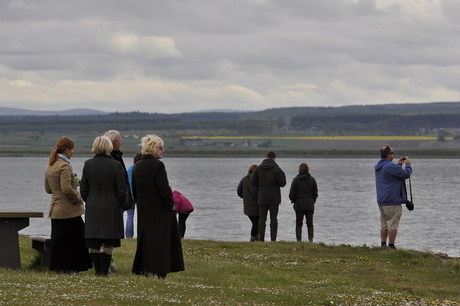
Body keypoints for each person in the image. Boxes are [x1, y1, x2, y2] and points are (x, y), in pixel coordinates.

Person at [131, 135, 185, 279]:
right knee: (162, 242)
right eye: (161, 148)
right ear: (154, 149)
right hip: (160, 210)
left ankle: (146, 269)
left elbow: (135, 190)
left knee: (147, 241)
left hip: (144, 210)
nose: (163, 150)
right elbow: (165, 189)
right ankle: (162, 271)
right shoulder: (157, 165)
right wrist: (171, 205)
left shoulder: (137, 166)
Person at [80, 136, 132, 276]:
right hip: (112, 207)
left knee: (94, 240)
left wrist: (90, 200)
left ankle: (98, 272)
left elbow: (83, 190)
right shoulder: (116, 165)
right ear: (109, 147)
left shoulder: (88, 164)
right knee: (108, 241)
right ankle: (104, 272)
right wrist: (124, 204)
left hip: (92, 206)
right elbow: (122, 189)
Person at [44, 136, 91, 273]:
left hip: (55, 210)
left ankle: (58, 267)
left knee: (59, 242)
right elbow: (66, 189)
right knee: (79, 239)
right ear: (66, 150)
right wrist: (79, 198)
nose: (73, 152)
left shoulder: (50, 164)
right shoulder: (64, 166)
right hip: (69, 211)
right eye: (72, 149)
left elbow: (48, 189)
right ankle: (75, 267)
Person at [374, 144, 412, 250]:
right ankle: (391, 246)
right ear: (388, 155)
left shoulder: (379, 166)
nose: (393, 155)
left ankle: (383, 245)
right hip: (392, 200)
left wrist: (398, 165)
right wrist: (408, 165)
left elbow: (392, 175)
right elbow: (405, 175)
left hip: (382, 200)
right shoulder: (390, 166)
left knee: (384, 224)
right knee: (393, 223)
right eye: (392, 153)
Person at [250, 151, 286, 242]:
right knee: (273, 218)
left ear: (266, 157)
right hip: (274, 198)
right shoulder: (277, 169)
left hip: (262, 198)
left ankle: (261, 239)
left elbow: (252, 182)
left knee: (262, 218)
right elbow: (282, 183)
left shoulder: (258, 169)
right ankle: (273, 240)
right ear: (274, 158)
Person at [289, 163, 318, 242]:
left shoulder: (296, 180)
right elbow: (315, 193)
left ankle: (299, 240)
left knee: (298, 223)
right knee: (310, 223)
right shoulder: (312, 180)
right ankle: (310, 240)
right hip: (309, 204)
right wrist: (312, 201)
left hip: (299, 204)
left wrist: (294, 200)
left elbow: (292, 194)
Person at [237, 164, 260, 242]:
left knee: (255, 222)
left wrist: (245, 197)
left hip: (248, 205)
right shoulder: (258, 180)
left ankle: (256, 237)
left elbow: (239, 190)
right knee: (256, 223)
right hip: (257, 204)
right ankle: (254, 238)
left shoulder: (244, 179)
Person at [126, 152, 143, 238]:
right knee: (141, 216)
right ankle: (141, 235)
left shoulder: (129, 168)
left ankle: (129, 236)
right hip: (139, 195)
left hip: (129, 195)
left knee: (130, 216)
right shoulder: (142, 169)